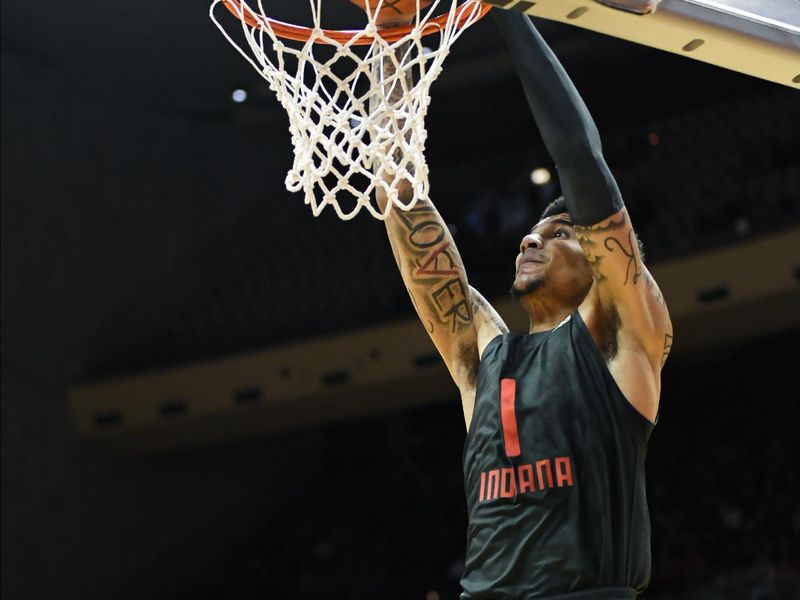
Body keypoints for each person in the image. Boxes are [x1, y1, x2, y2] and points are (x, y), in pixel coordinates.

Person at [358, 3, 673, 598]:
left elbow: (582, 161)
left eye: (561, 235)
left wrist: (509, 12)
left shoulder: (625, 333)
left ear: (604, 266)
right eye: (534, 231)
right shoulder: (482, 352)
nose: (531, 237)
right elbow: (401, 199)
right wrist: (391, 42)